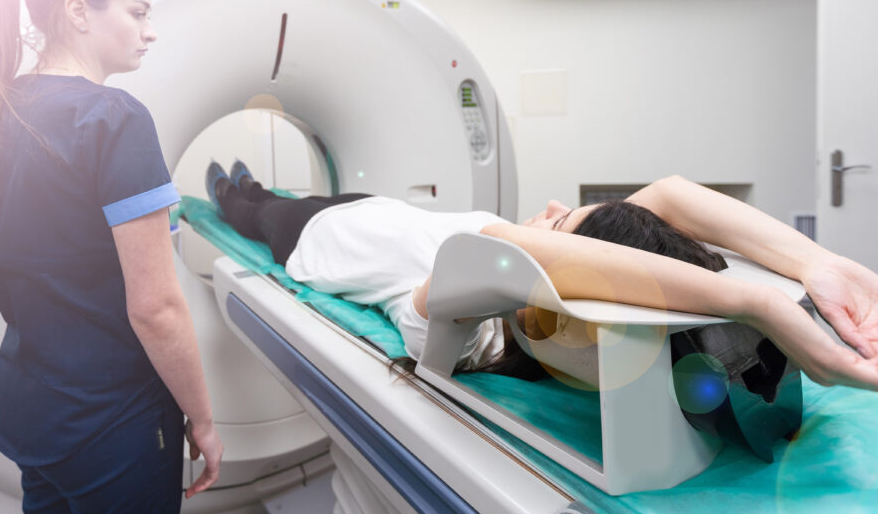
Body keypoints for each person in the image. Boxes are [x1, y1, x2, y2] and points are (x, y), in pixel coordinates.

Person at [0, 0, 222, 514]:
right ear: (78, 11)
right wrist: (202, 418)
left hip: (34, 408)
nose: (149, 31)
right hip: (113, 419)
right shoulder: (114, 117)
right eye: (137, 12)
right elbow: (156, 308)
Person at [206, 161, 878, 392]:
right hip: (379, 209)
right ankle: (252, 184)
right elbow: (669, 195)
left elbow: (500, 247)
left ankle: (236, 193)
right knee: (282, 192)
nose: (550, 208)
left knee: (251, 207)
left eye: (557, 224)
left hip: (314, 239)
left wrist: (758, 304)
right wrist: (818, 264)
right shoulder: (522, 279)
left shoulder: (465, 326)